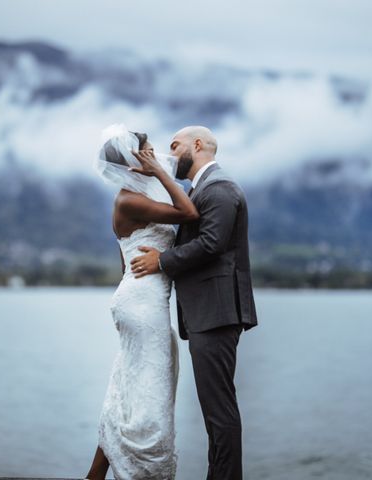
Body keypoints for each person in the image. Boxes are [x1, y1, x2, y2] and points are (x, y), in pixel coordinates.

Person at [131, 126, 258, 480]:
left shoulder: (220, 188)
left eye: (175, 145)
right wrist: (153, 173)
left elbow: (211, 243)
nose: (169, 153)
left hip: (217, 313)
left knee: (219, 410)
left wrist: (162, 261)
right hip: (208, 314)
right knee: (215, 409)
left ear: (197, 145)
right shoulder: (201, 189)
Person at [85, 124, 199, 480]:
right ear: (136, 160)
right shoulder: (130, 199)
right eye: (148, 150)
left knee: (128, 389)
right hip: (143, 304)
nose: (156, 153)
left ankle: (95, 475)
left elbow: (125, 261)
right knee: (150, 396)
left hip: (139, 297)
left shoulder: (139, 195)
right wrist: (161, 173)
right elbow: (189, 213)